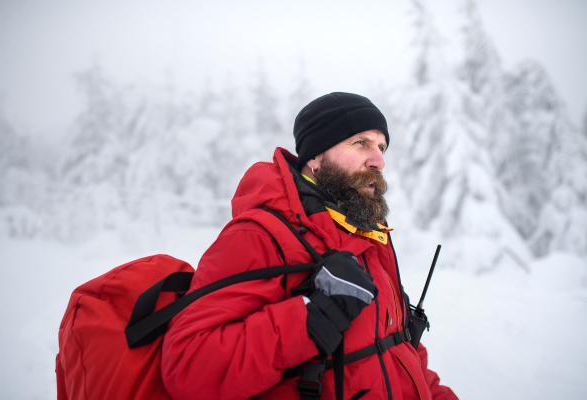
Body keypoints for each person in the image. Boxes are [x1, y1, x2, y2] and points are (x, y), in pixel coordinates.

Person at [161, 92, 458, 400]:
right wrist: (315, 315)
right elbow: (189, 368)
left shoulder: (369, 238)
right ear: (315, 158)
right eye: (361, 143)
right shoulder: (259, 236)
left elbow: (399, 351)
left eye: (381, 147)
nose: (379, 161)